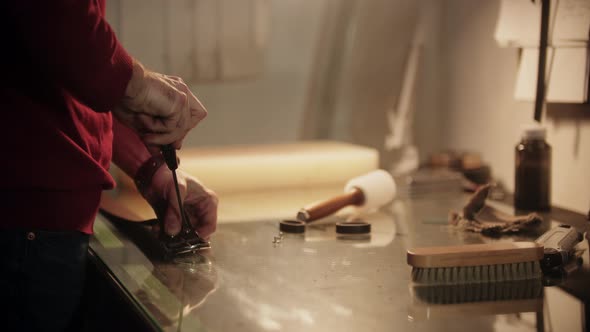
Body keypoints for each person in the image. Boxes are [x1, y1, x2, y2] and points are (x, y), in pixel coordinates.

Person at [0, 1, 218, 331]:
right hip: (23, 221)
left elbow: (58, 76)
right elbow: (59, 17)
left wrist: (150, 167)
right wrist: (139, 86)